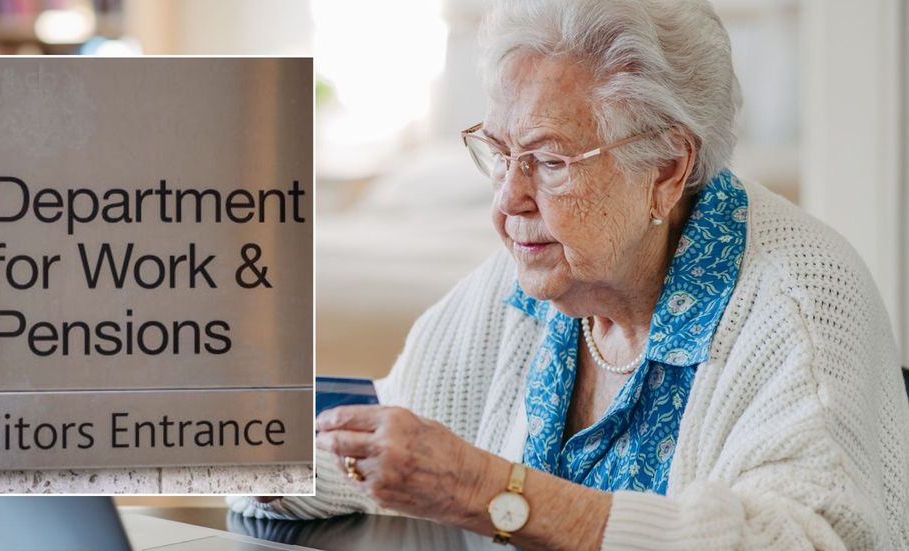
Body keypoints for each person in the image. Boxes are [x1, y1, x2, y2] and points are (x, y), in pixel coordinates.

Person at [229, 0, 909, 548]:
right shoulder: (528, 282)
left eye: (550, 162)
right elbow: (388, 447)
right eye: (500, 154)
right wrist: (246, 441)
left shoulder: (798, 304)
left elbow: (812, 539)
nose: (508, 202)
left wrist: (493, 493)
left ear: (668, 167)